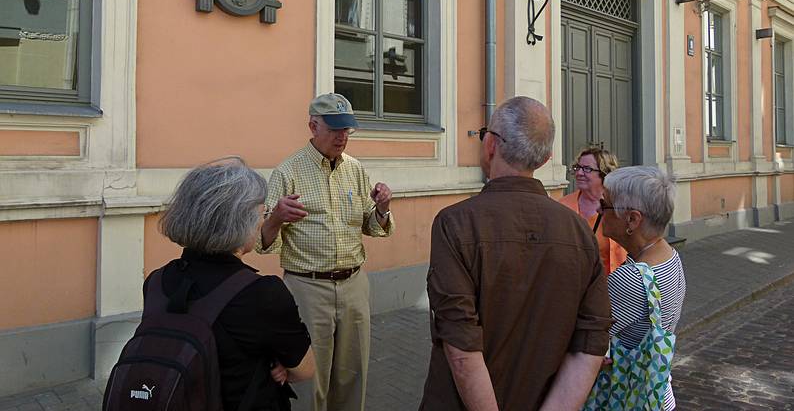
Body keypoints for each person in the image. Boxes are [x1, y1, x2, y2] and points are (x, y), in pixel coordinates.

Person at [420, 97, 613, 411]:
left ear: (491, 145)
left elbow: (461, 347)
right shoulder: (579, 231)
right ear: (547, 158)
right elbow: (590, 342)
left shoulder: (455, 223)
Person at [257, 93, 394, 411]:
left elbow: (370, 226)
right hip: (307, 288)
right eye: (334, 129)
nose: (342, 136)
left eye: (346, 129)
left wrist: (382, 209)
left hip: (354, 286)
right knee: (308, 378)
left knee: (352, 375)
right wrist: (276, 217)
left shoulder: (356, 170)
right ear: (312, 126)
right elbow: (264, 242)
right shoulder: (287, 172)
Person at [149, 157, 315, 411]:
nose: (263, 221)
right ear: (240, 222)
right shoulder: (262, 293)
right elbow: (305, 368)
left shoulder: (158, 280)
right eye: (262, 213)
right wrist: (278, 365)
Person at [599, 166, 686, 410]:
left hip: (624, 397)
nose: (598, 210)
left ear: (632, 219)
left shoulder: (632, 279)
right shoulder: (670, 255)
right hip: (655, 394)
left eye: (604, 205)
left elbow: (585, 340)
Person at [560, 147, 627, 273]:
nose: (579, 173)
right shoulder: (562, 206)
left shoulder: (621, 207)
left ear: (604, 173)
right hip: (576, 285)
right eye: (577, 168)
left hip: (614, 285)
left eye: (587, 169)